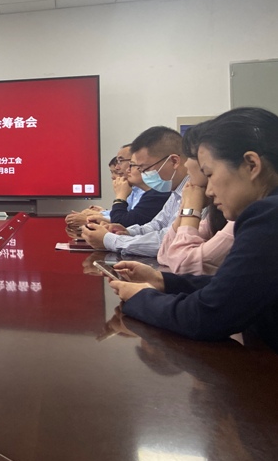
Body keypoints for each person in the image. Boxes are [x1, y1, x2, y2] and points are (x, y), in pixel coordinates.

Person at [109, 107, 278, 352]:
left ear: (251, 165)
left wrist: (140, 298)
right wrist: (162, 280)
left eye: (209, 174)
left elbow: (207, 315)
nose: (208, 190)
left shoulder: (268, 216)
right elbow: (234, 287)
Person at [82, 127, 189, 257]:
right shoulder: (176, 192)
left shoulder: (197, 193)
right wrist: (127, 232)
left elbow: (168, 241)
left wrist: (110, 240)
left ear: (174, 161)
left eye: (145, 168)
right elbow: (157, 224)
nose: (143, 174)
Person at [157, 123, 233, 275]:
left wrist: (190, 209)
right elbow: (165, 255)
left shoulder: (245, 218)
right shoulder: (214, 209)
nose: (185, 164)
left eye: (191, 157)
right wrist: (186, 206)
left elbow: (184, 265)